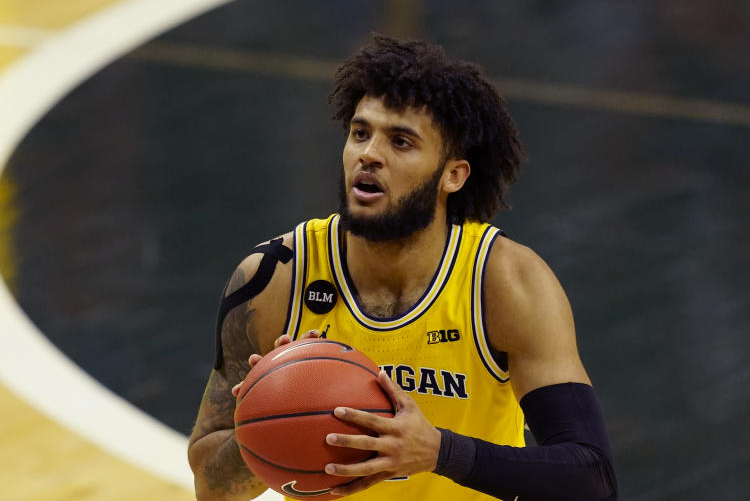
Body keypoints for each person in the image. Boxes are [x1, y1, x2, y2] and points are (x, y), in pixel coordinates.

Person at [188, 34, 618, 501]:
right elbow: (212, 488)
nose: (369, 154)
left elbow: (590, 479)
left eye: (401, 141)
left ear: (453, 175)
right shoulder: (277, 278)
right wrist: (273, 407)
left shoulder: (506, 283)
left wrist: (438, 452)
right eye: (360, 132)